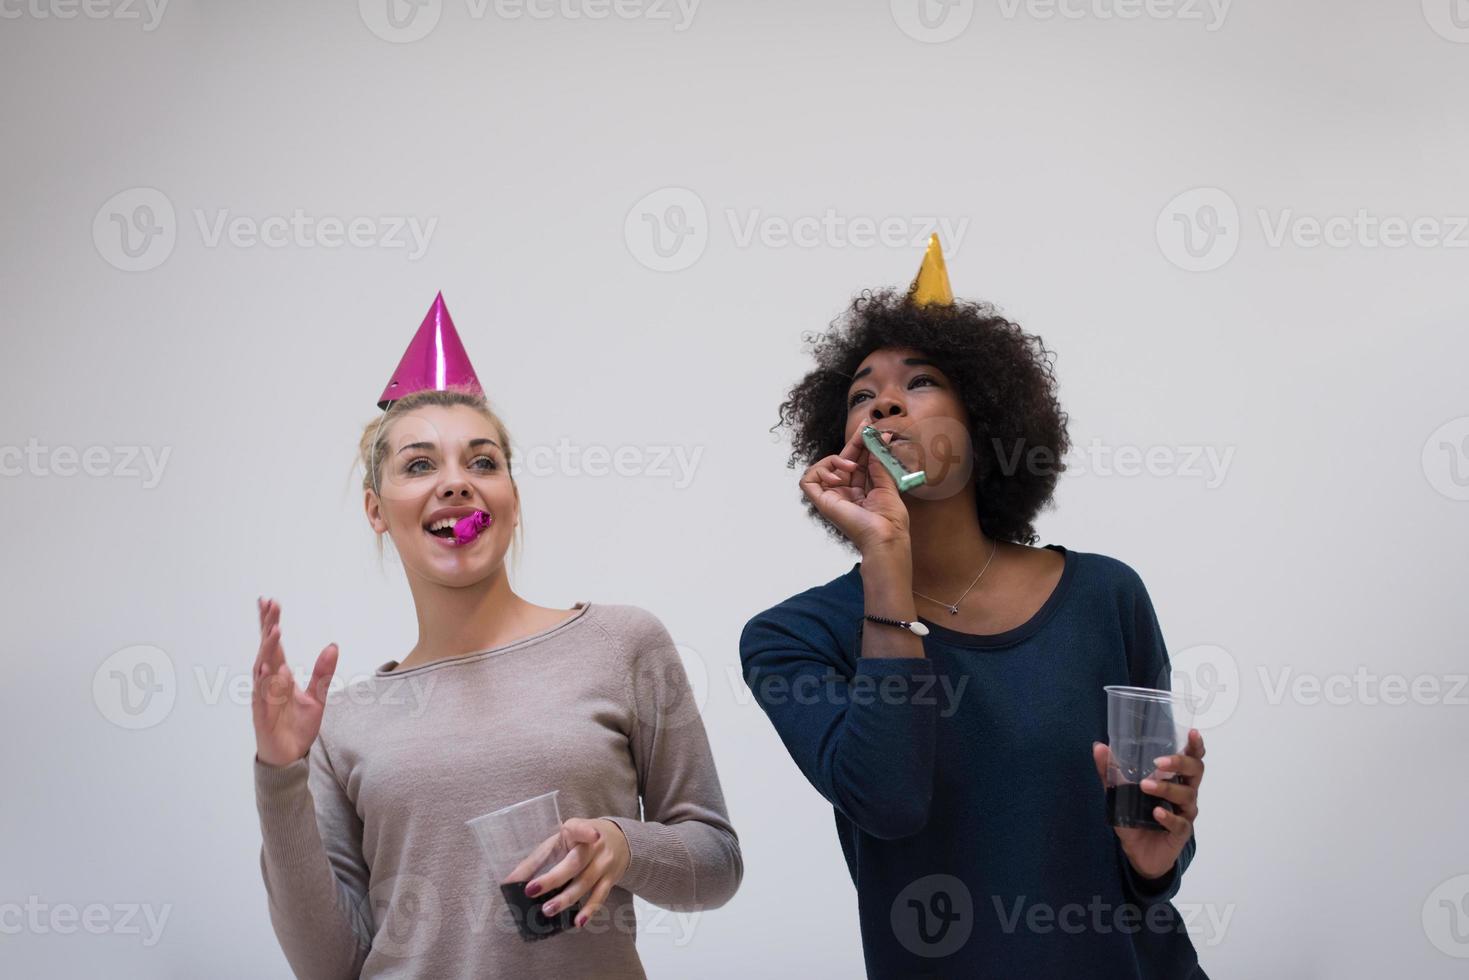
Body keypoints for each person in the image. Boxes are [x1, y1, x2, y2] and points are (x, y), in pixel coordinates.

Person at [739, 239, 1208, 979]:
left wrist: (1156, 860)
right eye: (862, 394)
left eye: (919, 383)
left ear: (985, 421)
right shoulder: (792, 639)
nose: (884, 402)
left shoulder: (1105, 597)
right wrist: (885, 557)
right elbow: (889, 801)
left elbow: (1150, 845)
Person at [251, 293, 741, 978]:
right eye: (420, 465)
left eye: (482, 462)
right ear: (375, 511)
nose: (456, 483)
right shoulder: (341, 724)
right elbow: (331, 964)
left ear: (511, 495)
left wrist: (620, 846)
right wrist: (280, 776)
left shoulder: (622, 642)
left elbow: (715, 864)